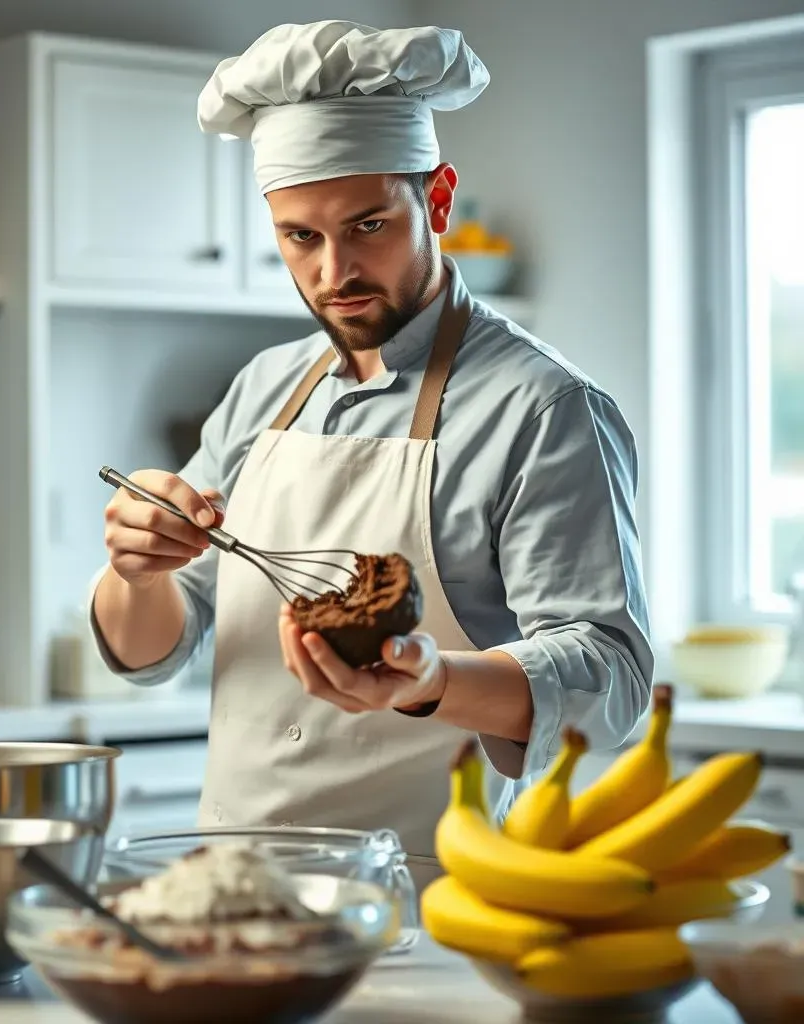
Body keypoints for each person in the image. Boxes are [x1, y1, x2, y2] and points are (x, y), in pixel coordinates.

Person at [89, 20, 653, 878]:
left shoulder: (543, 407)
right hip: (233, 891)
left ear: (437, 198)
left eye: (368, 225)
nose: (333, 273)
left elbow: (610, 679)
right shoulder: (265, 389)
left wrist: (432, 683)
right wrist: (140, 568)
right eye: (300, 237)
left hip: (429, 903)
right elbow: (151, 652)